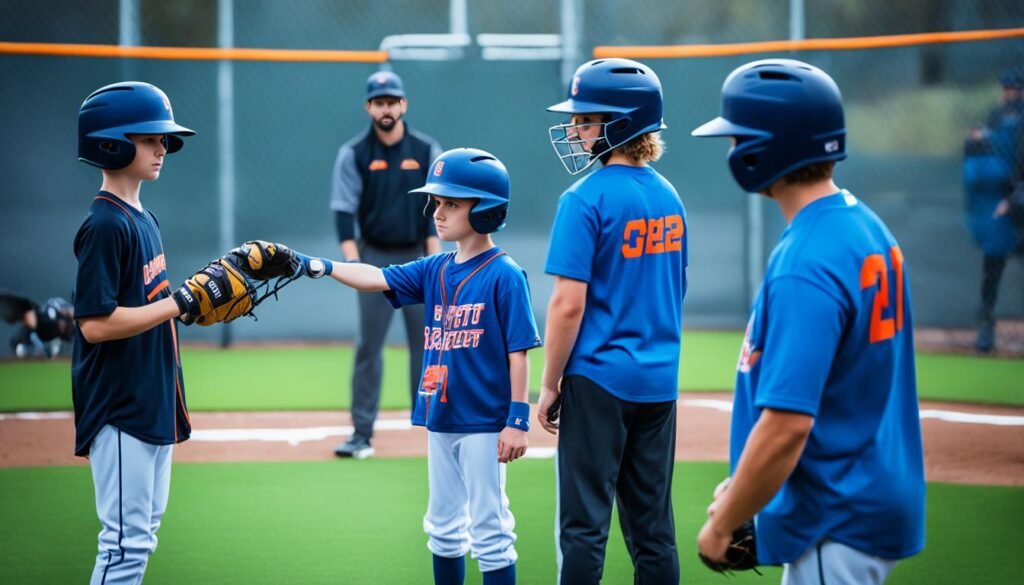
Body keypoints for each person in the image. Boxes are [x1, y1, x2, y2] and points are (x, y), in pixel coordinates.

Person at [691, 59, 925, 584]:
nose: (731, 149)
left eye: (737, 137)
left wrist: (724, 524)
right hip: (863, 488)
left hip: (835, 514)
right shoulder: (863, 224)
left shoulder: (806, 262)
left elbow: (788, 424)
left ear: (764, 148)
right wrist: (746, 489)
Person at [300, 148, 540, 585]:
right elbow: (377, 278)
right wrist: (316, 266)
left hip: (485, 423)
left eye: (452, 203)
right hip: (441, 416)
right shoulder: (436, 267)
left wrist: (517, 420)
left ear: (485, 210)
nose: (437, 212)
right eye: (436, 202)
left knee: (490, 527)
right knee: (444, 527)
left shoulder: (505, 274)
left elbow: (518, 352)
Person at [73, 81, 235, 584]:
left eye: (164, 140)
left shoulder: (143, 217)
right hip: (122, 407)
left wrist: (184, 306)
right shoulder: (105, 224)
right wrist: (177, 302)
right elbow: (95, 324)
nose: (163, 148)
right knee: (125, 544)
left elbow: (155, 307)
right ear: (112, 143)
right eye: (150, 139)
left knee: (140, 537)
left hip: (151, 397)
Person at [538, 58, 687, 584]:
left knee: (584, 529)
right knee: (653, 532)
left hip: (598, 379)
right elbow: (675, 286)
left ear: (623, 122)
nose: (577, 128)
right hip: (659, 381)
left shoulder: (583, 199)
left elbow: (567, 306)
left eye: (587, 118)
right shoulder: (670, 196)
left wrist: (550, 382)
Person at [330, 69, 444, 458]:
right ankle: (362, 434)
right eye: (379, 102)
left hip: (417, 257)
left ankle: (433, 426)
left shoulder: (426, 150)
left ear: (403, 105)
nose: (386, 108)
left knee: (428, 345)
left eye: (392, 101)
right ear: (368, 107)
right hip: (374, 258)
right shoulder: (355, 153)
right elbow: (344, 212)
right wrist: (353, 264)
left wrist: (434, 261)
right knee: (369, 346)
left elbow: (435, 210)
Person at [963, 67, 1024, 352]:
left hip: (1016, 202)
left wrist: (1013, 201)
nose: (1010, 93)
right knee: (992, 269)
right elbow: (981, 156)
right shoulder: (997, 117)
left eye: (1015, 89)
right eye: (1007, 88)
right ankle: (985, 326)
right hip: (1000, 206)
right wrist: (977, 140)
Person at [0, 290, 75, 358]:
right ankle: (33, 351)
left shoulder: (62, 314)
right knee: (18, 346)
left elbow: (71, 313)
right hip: (41, 329)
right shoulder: (39, 320)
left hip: (52, 330)